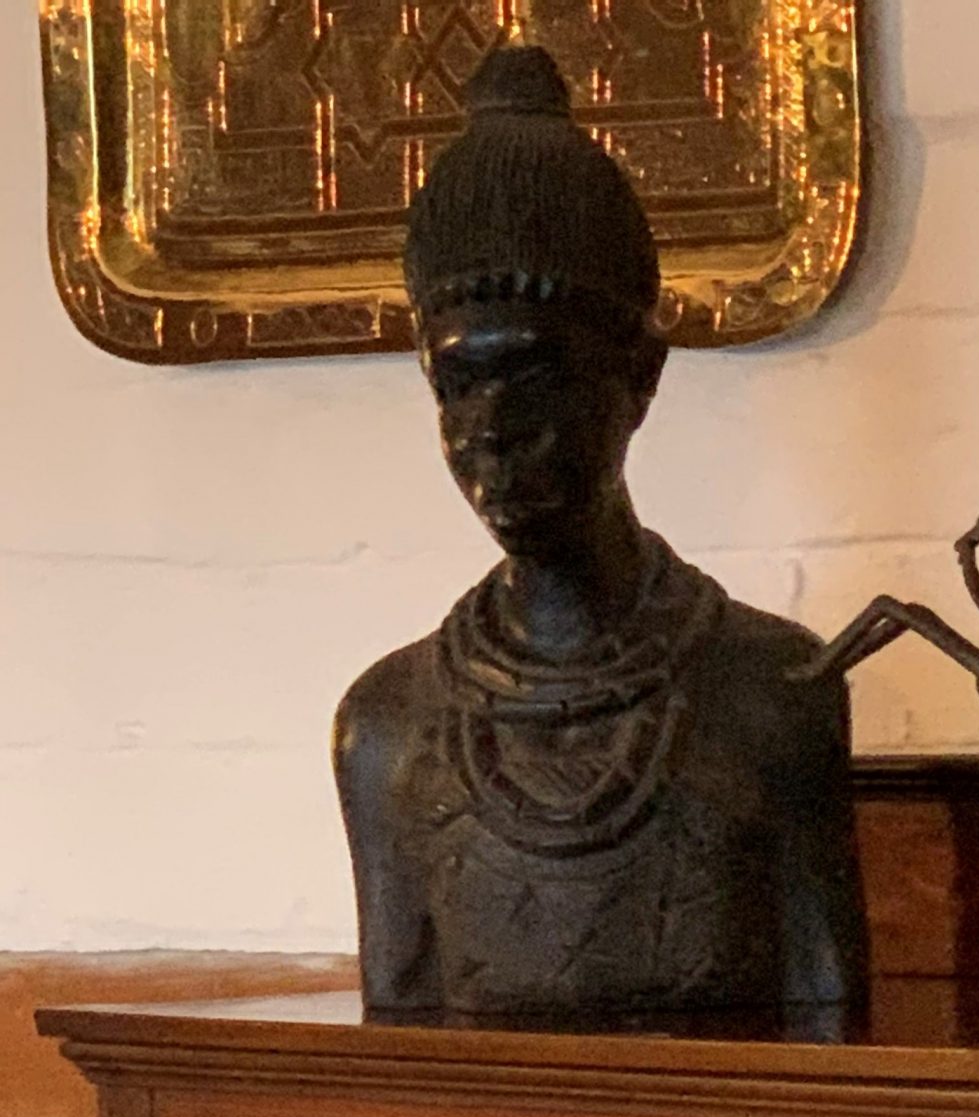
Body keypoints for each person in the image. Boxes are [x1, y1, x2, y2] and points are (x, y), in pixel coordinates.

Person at [334, 44, 868, 1020]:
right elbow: (400, 1095)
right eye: (457, 387)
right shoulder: (387, 731)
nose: (491, 434)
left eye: (535, 377)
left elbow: (830, 1044)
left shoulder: (773, 696)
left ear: (639, 377)